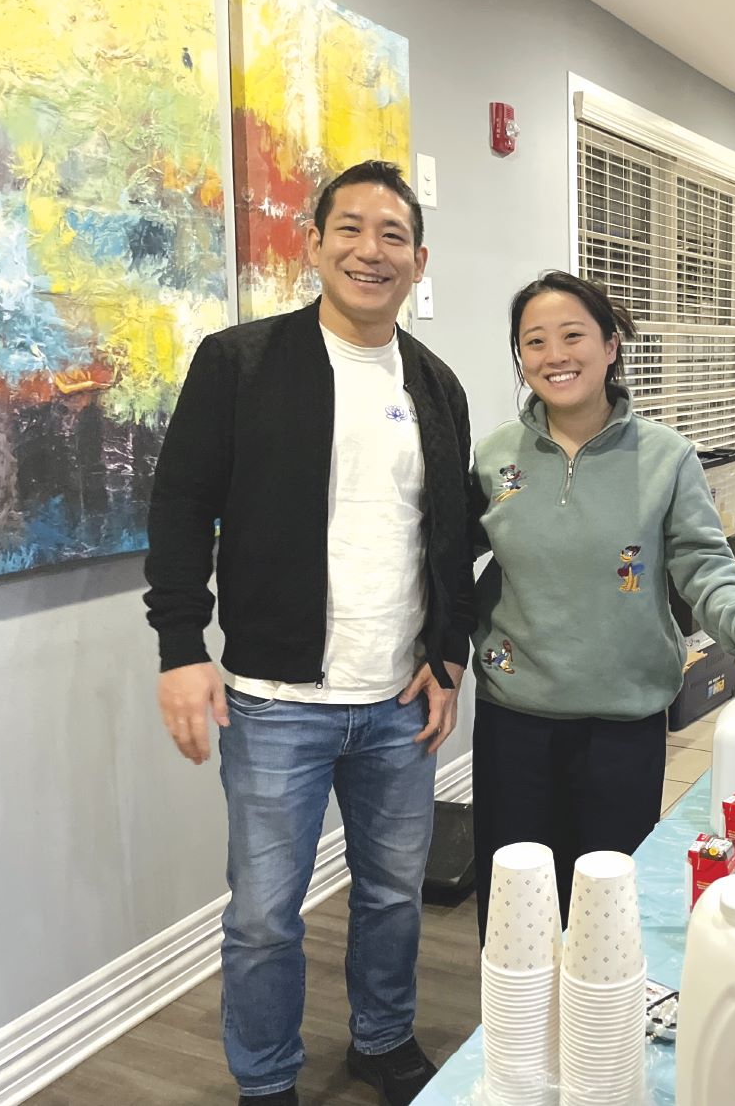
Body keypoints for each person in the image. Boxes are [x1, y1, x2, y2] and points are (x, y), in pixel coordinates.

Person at [144, 161, 472, 1106]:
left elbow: (452, 534)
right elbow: (180, 508)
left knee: (390, 896)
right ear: (314, 242)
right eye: (352, 229)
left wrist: (445, 655)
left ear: (418, 258)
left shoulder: (436, 384)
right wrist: (179, 648)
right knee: (262, 918)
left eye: (394, 235)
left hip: (398, 705)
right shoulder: (241, 362)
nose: (373, 250)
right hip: (274, 702)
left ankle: (381, 1037)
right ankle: (265, 1079)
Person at [468, 270, 735, 940]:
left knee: (607, 914)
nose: (554, 355)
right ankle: (517, 1040)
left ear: (611, 345)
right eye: (534, 341)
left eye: (573, 335)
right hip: (515, 720)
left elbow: (702, 564)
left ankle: (602, 1041)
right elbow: (449, 563)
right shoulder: (494, 458)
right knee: (516, 916)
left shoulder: (665, 457)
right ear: (520, 357)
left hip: (622, 721)